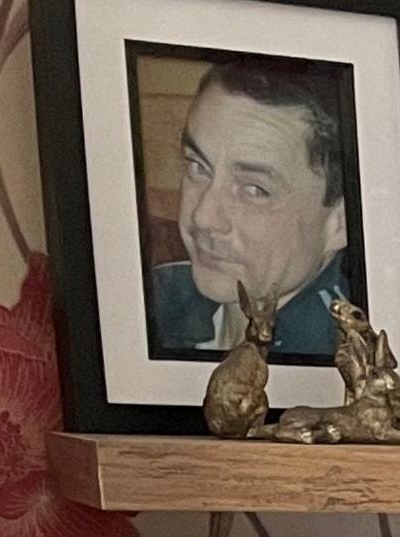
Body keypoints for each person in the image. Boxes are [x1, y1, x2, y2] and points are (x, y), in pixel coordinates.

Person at [149, 57, 356, 358]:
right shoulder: (156, 298)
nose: (203, 218)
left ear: (340, 222)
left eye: (255, 189)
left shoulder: (338, 368)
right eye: (197, 167)